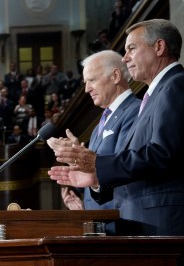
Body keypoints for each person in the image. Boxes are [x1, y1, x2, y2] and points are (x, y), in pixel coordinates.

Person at [49, 19, 184, 236]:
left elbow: (162, 153)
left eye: (131, 48)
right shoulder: (154, 95)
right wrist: (94, 178)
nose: (125, 58)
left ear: (159, 47)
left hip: (162, 219)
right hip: (143, 218)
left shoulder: (175, 85)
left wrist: (96, 164)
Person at [56, 50, 140, 212]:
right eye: (85, 82)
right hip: (99, 221)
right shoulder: (97, 128)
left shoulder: (136, 111)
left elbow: (127, 169)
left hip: (122, 219)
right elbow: (95, 176)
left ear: (115, 76)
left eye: (92, 80)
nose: (87, 89)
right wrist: (76, 159)